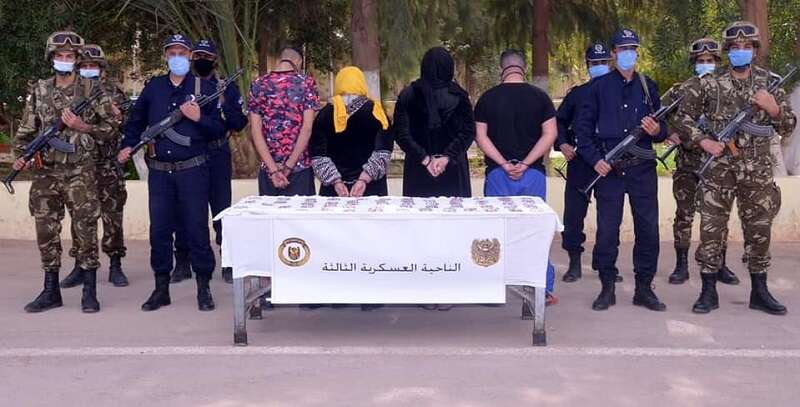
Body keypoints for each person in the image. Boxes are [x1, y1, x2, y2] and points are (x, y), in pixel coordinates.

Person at [674, 21, 796, 315]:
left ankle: (760, 291)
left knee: (759, 229)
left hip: (757, 169)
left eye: (746, 46)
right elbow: (682, 118)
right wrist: (704, 141)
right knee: (711, 229)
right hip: (719, 170)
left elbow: (788, 126)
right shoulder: (709, 84)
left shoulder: (769, 82)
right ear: (728, 51)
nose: (741, 50)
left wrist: (773, 108)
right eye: (735, 47)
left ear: (755, 49)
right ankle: (708, 291)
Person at [118, 34, 225, 312]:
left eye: (182, 52)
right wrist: (128, 144)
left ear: (189, 55)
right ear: (166, 56)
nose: (177, 57)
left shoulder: (203, 87)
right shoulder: (154, 87)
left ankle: (203, 287)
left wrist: (198, 118)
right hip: (160, 173)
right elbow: (136, 122)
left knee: (197, 229)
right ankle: (161, 288)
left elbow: (219, 129)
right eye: (172, 52)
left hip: (193, 170)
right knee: (160, 231)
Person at [15, 31, 119, 313]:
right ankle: (51, 291)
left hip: (79, 172)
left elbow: (112, 129)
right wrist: (22, 156)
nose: (64, 59)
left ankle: (89, 291)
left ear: (76, 59)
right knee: (45, 231)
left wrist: (83, 127)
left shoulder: (92, 90)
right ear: (51, 58)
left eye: (69, 56)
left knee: (86, 229)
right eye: (59, 55)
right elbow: (26, 132)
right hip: (45, 174)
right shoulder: (40, 90)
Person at [575, 28, 668, 312]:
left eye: (632, 49)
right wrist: (596, 160)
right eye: (623, 49)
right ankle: (607, 287)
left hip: (642, 169)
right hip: (610, 170)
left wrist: (656, 130)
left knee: (648, 230)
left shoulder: (647, 86)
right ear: (614, 53)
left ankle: (644, 289)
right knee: (607, 232)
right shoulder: (598, 88)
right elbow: (582, 130)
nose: (628, 54)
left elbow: (664, 129)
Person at [474, 49, 558, 304]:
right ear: (524, 68)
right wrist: (525, 163)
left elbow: (480, 136)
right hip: (532, 175)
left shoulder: (487, 98)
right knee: (535, 232)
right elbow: (550, 134)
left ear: (502, 69)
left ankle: (492, 289)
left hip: (498, 175)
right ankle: (542, 288)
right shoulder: (540, 98)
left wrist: (503, 163)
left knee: (495, 232)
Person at [394, 47, 475, 311]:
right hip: (452, 171)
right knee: (451, 230)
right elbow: (467, 132)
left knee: (421, 230)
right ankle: (449, 289)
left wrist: (425, 159)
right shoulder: (459, 96)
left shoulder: (407, 95)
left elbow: (402, 134)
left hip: (420, 172)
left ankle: (424, 290)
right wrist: (446, 157)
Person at [309, 66, 392, 311]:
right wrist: (363, 179)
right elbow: (383, 152)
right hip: (370, 191)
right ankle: (370, 297)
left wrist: (336, 182)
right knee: (370, 241)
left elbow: (318, 155)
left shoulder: (325, 114)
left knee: (336, 242)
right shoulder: (377, 112)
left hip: (335, 193)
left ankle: (339, 294)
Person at [168, 39, 248, 285]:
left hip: (217, 154)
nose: (202, 60)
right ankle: (183, 261)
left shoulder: (226, 87)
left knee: (221, 208)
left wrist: (224, 103)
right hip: (190, 154)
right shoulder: (182, 84)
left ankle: (227, 261)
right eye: (198, 56)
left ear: (215, 60)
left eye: (207, 56)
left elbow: (239, 123)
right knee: (185, 210)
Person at [665, 38, 739, 286]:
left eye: (710, 60)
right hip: (688, 163)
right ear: (694, 62)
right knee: (684, 214)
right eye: (701, 60)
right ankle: (681, 265)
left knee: (719, 216)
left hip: (719, 164)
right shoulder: (680, 90)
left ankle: (720, 264)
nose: (706, 64)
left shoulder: (729, 88)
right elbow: (658, 113)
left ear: (717, 62)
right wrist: (670, 133)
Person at [59, 44, 130, 289]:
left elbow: (126, 126)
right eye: (84, 65)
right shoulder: (71, 92)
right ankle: (80, 265)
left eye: (93, 65)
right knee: (79, 217)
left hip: (107, 164)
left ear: (102, 68)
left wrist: (119, 116)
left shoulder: (113, 92)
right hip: (79, 165)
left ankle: (115, 264)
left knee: (113, 216)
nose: (89, 69)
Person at [557, 43, 622, 284]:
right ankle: (574, 262)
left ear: (611, 64)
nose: (600, 67)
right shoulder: (577, 94)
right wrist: (562, 144)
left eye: (604, 62)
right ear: (588, 66)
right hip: (581, 161)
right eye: (595, 63)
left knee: (609, 218)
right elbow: (559, 121)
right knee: (574, 216)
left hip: (609, 163)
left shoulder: (621, 93)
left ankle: (605, 262)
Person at [248, 46, 320, 197]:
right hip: (299, 169)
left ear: (280, 60)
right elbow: (307, 128)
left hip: (269, 171)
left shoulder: (258, 84)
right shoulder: (307, 83)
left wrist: (274, 170)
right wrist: (288, 166)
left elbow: (255, 130)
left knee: (270, 212)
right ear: (298, 62)